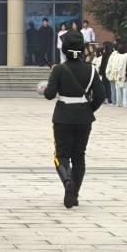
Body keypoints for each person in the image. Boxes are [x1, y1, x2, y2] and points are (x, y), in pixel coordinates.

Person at [41, 29, 106, 208]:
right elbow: (100, 95)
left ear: (64, 50)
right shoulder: (91, 69)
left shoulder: (59, 69)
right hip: (84, 118)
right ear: (82, 49)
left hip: (63, 116)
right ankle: (74, 194)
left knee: (61, 155)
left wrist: (48, 84)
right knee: (79, 156)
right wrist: (88, 109)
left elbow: (50, 95)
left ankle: (67, 181)